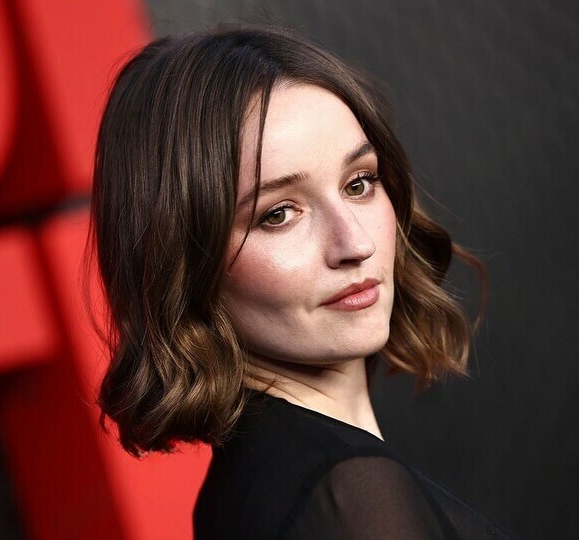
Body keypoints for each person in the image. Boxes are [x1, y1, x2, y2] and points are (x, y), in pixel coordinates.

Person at [88, 21, 522, 540]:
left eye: (359, 183)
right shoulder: (347, 492)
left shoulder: (257, 488)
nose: (355, 243)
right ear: (182, 261)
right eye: (277, 214)